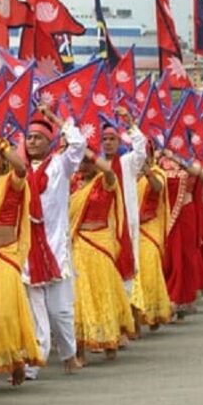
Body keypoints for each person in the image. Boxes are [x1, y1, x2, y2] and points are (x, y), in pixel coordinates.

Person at [0, 128, 42, 386]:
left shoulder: (11, 181)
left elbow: (21, 167)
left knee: (4, 314)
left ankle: (16, 360)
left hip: (5, 257)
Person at [22, 107, 85, 378]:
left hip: (55, 248)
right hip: (27, 250)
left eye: (38, 137)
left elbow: (79, 143)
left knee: (59, 312)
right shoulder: (18, 168)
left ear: (50, 141)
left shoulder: (61, 164)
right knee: (35, 313)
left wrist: (57, 120)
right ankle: (34, 364)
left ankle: (69, 354)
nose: (32, 141)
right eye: (29, 137)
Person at [69, 151, 135, 363]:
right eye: (80, 161)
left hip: (101, 243)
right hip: (78, 242)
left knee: (103, 290)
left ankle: (110, 340)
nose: (83, 165)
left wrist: (90, 151)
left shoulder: (104, 181)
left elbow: (108, 170)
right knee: (80, 295)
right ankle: (79, 351)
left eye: (87, 161)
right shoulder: (71, 184)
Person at [99, 110, 147, 331]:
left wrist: (130, 124)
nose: (108, 144)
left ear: (119, 141)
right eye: (104, 140)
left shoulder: (126, 162)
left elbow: (141, 150)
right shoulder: (92, 166)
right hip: (100, 227)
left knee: (127, 269)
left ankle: (128, 319)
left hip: (125, 224)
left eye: (112, 139)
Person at [158, 149, 203, 317]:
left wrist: (178, 158)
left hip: (185, 212)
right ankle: (166, 296)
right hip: (163, 215)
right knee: (167, 257)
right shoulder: (158, 158)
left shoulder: (192, 158)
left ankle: (181, 297)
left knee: (184, 256)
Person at [132, 151, 172, 329]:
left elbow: (158, 188)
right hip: (131, 228)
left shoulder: (157, 173)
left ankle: (153, 312)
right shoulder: (127, 172)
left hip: (150, 227)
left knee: (148, 268)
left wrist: (147, 172)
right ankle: (137, 317)